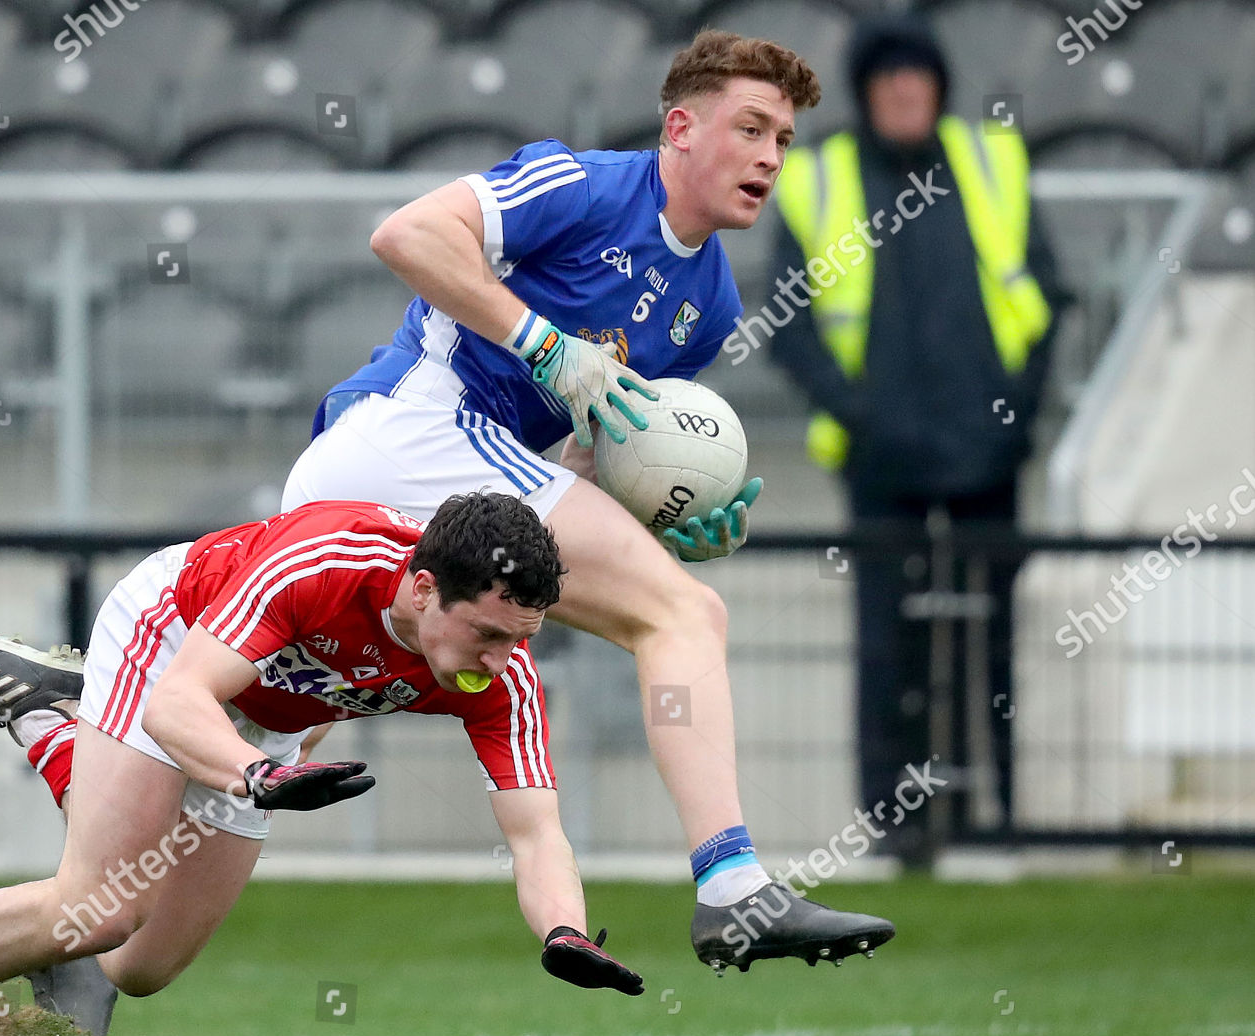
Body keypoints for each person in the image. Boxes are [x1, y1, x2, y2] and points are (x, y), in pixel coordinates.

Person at [278, 27, 894, 971]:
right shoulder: (581, 185)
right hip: (403, 431)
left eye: (784, 141)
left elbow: (580, 467)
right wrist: (544, 342)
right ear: (681, 127)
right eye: (752, 128)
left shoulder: (714, 306)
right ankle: (733, 890)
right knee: (683, 617)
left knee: (263, 737)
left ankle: (87, 916)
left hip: (445, 485)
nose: (770, 157)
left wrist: (672, 519)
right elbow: (404, 234)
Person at [0, 493, 646, 1036]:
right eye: (489, 634)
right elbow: (181, 703)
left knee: (135, 967)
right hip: (176, 648)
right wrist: (254, 777)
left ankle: (50, 719)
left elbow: (536, 832)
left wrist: (563, 932)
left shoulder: (503, 673)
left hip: (273, 716)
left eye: (520, 639)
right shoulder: (323, 565)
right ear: (424, 589)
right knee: (100, 906)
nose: (502, 661)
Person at [764, 14, 1063, 863]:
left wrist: (1017, 414)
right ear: (865, 93)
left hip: (988, 452)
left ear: (938, 88)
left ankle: (995, 812)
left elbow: (1046, 298)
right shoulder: (818, 178)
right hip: (881, 460)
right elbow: (788, 327)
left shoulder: (990, 161)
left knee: (990, 638)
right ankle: (895, 825)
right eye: (890, 80)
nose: (906, 93)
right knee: (887, 642)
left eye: (919, 79)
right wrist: (861, 418)